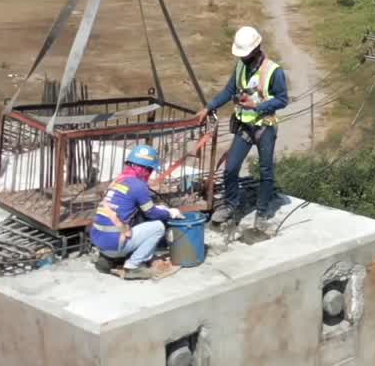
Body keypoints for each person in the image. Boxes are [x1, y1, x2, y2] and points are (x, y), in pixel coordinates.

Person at [195, 26, 288, 228]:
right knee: (231, 169)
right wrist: (209, 107)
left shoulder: (274, 71)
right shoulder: (240, 66)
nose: (243, 58)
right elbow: (229, 90)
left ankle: (262, 212)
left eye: (245, 54)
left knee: (266, 171)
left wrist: (258, 105)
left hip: (264, 127)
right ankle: (230, 205)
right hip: (245, 127)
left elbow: (282, 100)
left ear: (256, 49)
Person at [90, 144, 183, 280]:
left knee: (130, 220)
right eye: (150, 169)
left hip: (99, 240)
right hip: (114, 243)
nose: (150, 173)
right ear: (145, 169)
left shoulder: (118, 181)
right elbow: (151, 212)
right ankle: (133, 267)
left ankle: (107, 259)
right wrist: (170, 213)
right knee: (158, 227)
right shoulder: (138, 185)